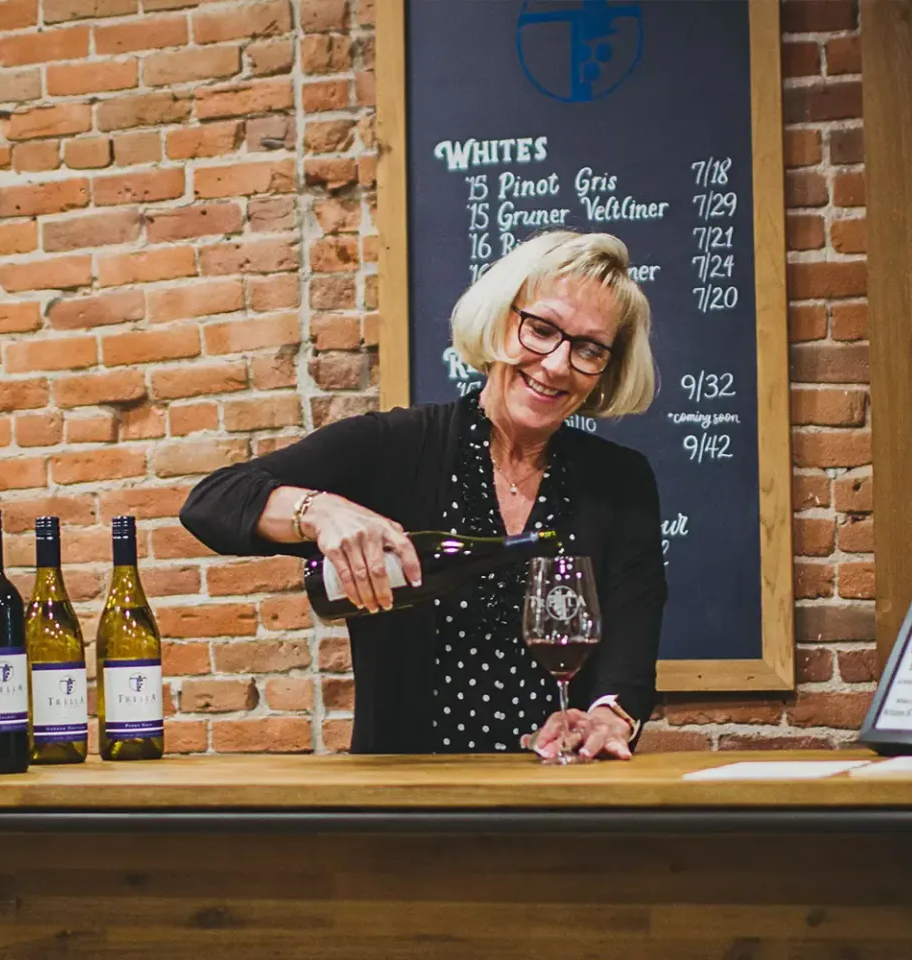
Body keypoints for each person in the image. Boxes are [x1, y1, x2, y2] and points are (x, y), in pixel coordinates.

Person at [180, 231, 666, 760]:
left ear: (606, 369)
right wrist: (318, 511)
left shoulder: (620, 480)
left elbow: (632, 644)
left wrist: (606, 716)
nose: (555, 364)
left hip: (560, 796)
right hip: (404, 800)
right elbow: (212, 502)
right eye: (542, 329)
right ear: (501, 320)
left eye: (589, 348)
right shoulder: (396, 447)